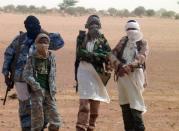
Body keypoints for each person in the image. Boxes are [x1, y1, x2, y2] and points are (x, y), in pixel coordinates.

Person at [2, 15, 64, 131]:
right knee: (25, 108)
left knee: (43, 108)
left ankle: (39, 126)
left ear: (39, 26)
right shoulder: (20, 39)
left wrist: (43, 31)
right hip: (21, 79)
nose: (31, 29)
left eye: (34, 26)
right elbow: (8, 54)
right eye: (28, 26)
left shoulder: (44, 40)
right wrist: (6, 74)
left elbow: (60, 43)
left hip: (40, 80)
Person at [109, 20, 149, 131]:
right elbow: (112, 54)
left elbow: (141, 57)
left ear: (138, 30)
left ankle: (140, 128)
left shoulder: (143, 42)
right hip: (122, 77)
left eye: (134, 29)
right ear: (126, 30)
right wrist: (119, 65)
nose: (131, 32)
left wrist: (128, 67)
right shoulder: (123, 40)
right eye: (129, 30)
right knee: (124, 103)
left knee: (136, 104)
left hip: (135, 76)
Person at [75, 15, 111, 131]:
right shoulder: (81, 37)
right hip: (83, 72)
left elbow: (108, 55)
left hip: (98, 74)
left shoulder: (103, 40)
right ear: (88, 27)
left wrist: (91, 56)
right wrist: (99, 56)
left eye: (96, 26)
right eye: (92, 26)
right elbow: (80, 53)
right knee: (84, 101)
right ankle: (81, 127)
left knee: (96, 101)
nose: (94, 28)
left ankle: (91, 126)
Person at [23, 33, 60, 131]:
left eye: (46, 42)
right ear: (36, 44)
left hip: (50, 92)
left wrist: (53, 87)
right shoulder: (32, 58)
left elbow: (53, 73)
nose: (44, 45)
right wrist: (36, 86)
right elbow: (26, 75)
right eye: (41, 42)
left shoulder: (51, 58)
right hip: (37, 93)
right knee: (37, 123)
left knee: (56, 121)